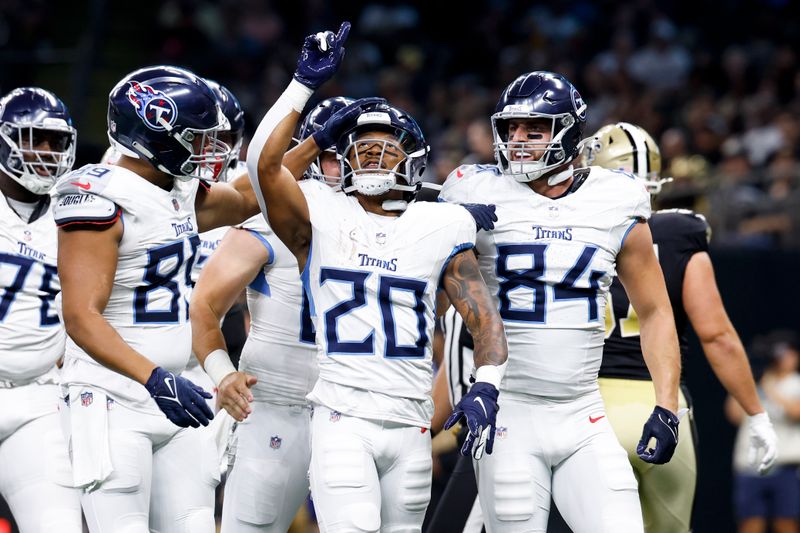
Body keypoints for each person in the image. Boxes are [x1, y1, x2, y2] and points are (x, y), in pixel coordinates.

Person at [246, 23, 508, 532]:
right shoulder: (319, 210)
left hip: (411, 423)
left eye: (386, 146)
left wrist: (488, 384)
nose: (371, 153)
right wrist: (302, 87)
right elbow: (263, 169)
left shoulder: (443, 223)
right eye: (361, 146)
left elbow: (485, 322)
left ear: (413, 160)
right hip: (343, 418)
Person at [439, 71, 683, 533]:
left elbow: (654, 311)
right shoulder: (474, 190)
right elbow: (436, 295)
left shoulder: (614, 198)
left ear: (569, 131)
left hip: (582, 412)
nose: (519, 140)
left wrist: (667, 406)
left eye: (535, 129)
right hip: (507, 411)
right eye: (511, 128)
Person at [54, 65, 261, 533]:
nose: (210, 151)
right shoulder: (98, 197)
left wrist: (304, 107)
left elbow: (253, 196)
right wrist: (154, 379)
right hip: (113, 395)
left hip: (177, 391)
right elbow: (81, 318)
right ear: (156, 131)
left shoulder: (179, 191)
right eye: (197, 138)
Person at [582, 121, 778, 532]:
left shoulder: (568, 237)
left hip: (586, 411)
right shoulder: (676, 234)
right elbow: (717, 335)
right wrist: (756, 413)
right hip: (660, 405)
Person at [189, 96, 351, 532]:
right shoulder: (268, 220)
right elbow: (204, 302)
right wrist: (223, 373)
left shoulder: (394, 225)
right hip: (279, 404)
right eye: (336, 156)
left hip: (356, 408)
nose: (350, 168)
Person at [0, 87, 82, 532]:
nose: (47, 152)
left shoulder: (78, 212)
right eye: (35, 138)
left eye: (55, 141)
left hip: (37, 397)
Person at [726, 333, 800, 533]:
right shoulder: (754, 384)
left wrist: (770, 388)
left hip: (785, 467)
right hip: (751, 467)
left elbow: (796, 412)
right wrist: (746, 381)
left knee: (786, 524)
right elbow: (733, 414)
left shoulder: (795, 382)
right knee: (750, 524)